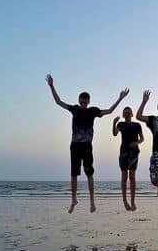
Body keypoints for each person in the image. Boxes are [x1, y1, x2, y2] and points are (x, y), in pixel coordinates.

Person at [45, 74, 128, 213]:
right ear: (79, 100)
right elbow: (58, 102)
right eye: (82, 102)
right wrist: (52, 86)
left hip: (87, 146)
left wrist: (120, 98)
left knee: (89, 173)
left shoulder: (92, 111)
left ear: (88, 101)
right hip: (75, 145)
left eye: (85, 102)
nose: (83, 104)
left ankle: (92, 201)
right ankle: (74, 199)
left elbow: (109, 111)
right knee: (73, 174)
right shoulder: (75, 109)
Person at [112, 106, 144, 211]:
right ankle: (125, 201)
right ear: (123, 115)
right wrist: (114, 123)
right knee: (124, 176)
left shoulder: (137, 125)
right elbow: (115, 134)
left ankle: (133, 201)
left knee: (132, 177)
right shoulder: (120, 124)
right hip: (123, 152)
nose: (127, 114)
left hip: (134, 152)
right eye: (125, 112)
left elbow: (142, 139)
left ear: (132, 114)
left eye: (129, 112)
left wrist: (136, 142)